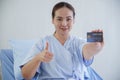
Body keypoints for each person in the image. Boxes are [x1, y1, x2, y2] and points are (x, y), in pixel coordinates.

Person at [21, 1, 104, 80]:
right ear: (53, 20)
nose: (64, 24)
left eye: (68, 19)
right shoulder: (42, 43)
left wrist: (95, 46)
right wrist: (38, 58)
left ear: (74, 20)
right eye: (59, 19)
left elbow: (87, 51)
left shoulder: (78, 42)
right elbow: (26, 75)